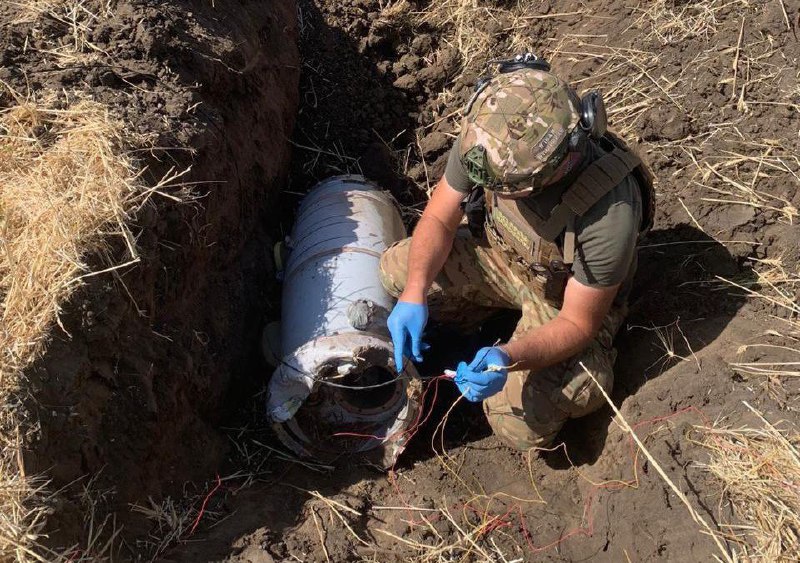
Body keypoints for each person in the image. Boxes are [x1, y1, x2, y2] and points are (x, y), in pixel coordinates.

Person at [380, 54, 654, 451]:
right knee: (397, 270)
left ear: (551, 173)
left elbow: (577, 324)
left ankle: (588, 363)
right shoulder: (489, 138)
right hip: (503, 258)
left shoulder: (608, 213)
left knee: (518, 422)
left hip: (562, 303)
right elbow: (439, 217)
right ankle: (476, 318)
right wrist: (414, 292)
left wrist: (507, 357)